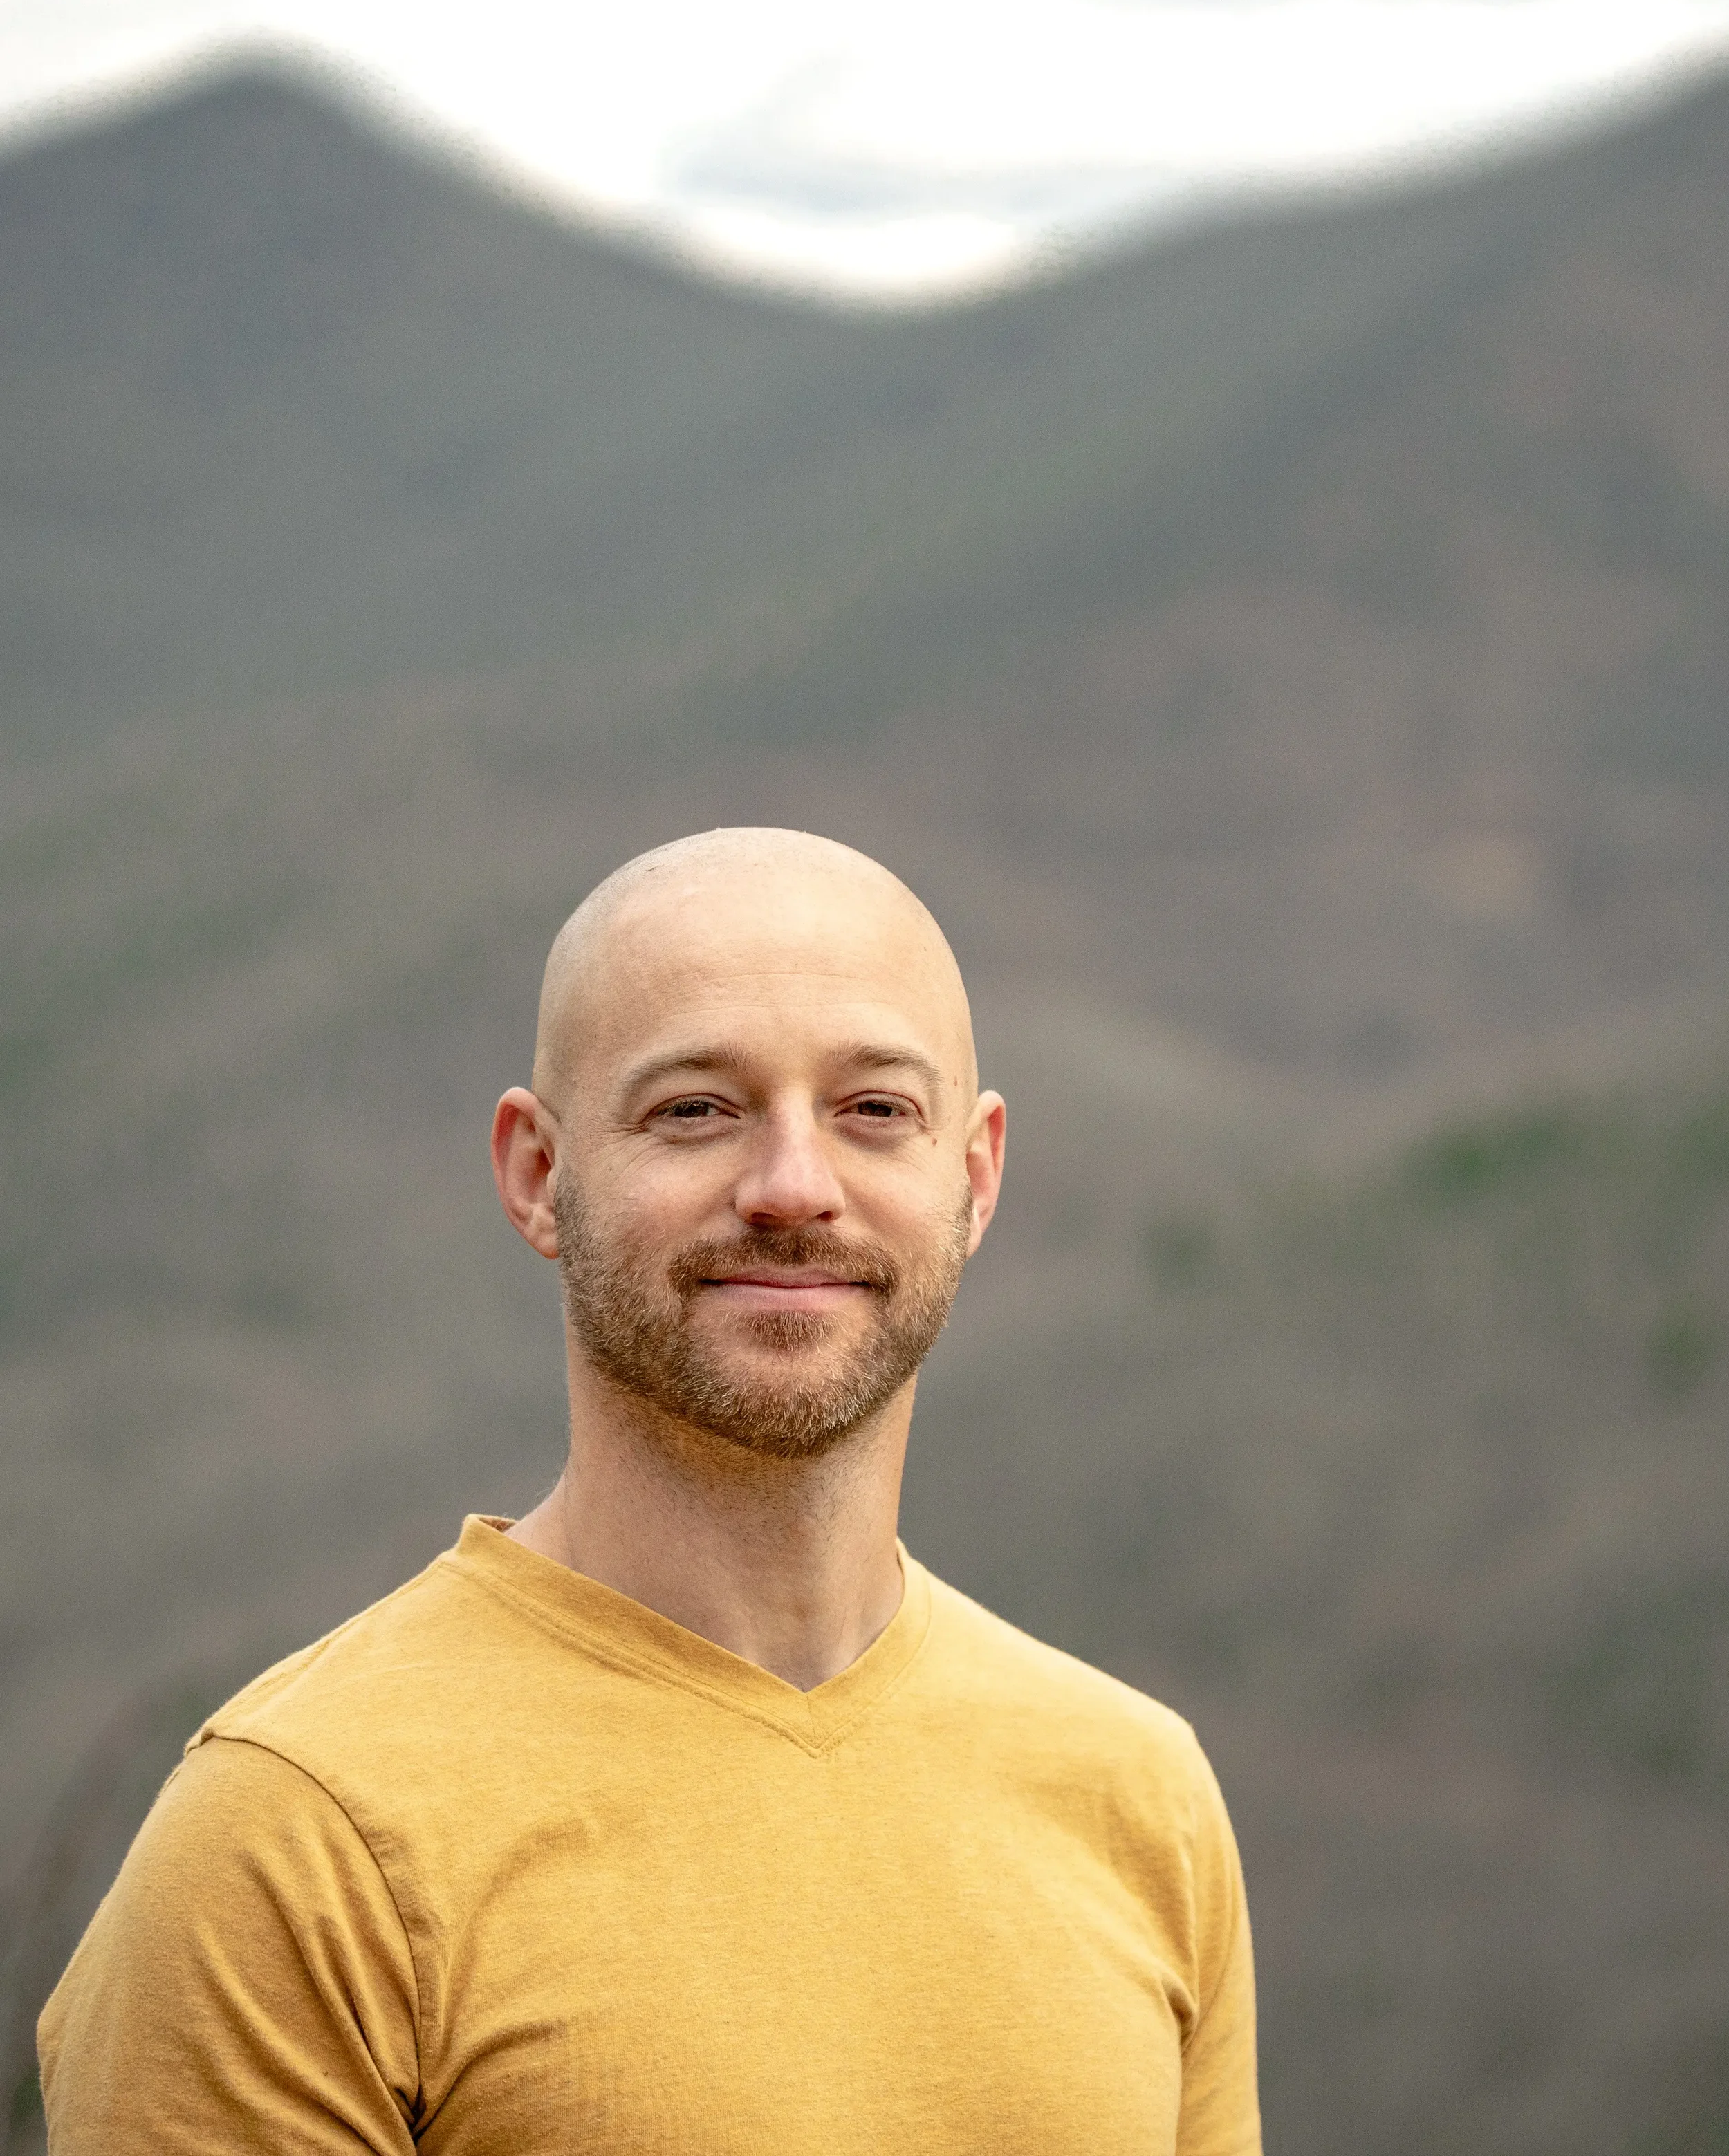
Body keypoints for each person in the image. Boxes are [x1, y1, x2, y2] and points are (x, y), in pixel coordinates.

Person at [38, 827, 1261, 2155]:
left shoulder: (1140, 1797)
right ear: (538, 1173)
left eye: (874, 1112)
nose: (794, 1188)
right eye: (696, 1109)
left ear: (973, 1177)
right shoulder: (292, 1844)